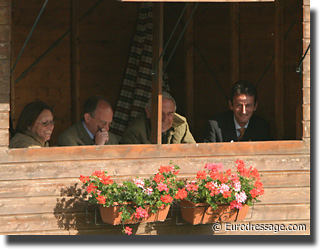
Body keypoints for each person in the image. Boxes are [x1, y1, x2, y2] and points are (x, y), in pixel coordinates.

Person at [203, 80, 273, 142]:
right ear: (231, 105)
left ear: (255, 106)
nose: (243, 111)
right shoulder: (215, 127)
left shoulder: (262, 128)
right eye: (239, 105)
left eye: (248, 106)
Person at [120, 91, 196, 144]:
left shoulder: (181, 124)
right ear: (148, 112)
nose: (165, 119)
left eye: (170, 114)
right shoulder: (135, 132)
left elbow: (193, 151)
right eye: (160, 114)